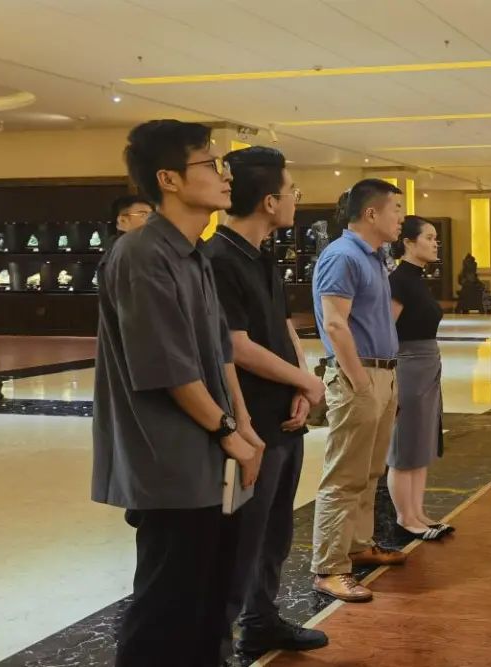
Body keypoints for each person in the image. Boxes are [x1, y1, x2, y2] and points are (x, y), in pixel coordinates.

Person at [91, 119, 265, 667]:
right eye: (211, 164)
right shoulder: (141, 253)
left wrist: (243, 424)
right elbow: (166, 367)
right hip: (169, 459)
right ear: (168, 178)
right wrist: (227, 430)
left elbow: (218, 351)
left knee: (208, 600)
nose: (225, 174)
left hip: (210, 452)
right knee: (167, 605)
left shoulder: (194, 252)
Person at [205, 146, 329, 657]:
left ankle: (261, 620)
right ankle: (217, 643)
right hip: (249, 421)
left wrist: (301, 383)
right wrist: (305, 382)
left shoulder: (261, 254)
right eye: (291, 191)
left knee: (275, 530)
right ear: (268, 201)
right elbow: (234, 345)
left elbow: (280, 325)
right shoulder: (218, 259)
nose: (296, 198)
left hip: (283, 416)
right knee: (241, 539)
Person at [310, 178, 407, 603]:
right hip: (358, 375)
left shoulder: (373, 256)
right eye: (396, 209)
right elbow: (335, 324)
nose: (401, 218)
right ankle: (329, 567)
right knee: (344, 476)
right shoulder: (342, 255)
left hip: (382, 373)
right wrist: (361, 382)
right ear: (371, 213)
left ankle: (358, 545)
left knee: (369, 472)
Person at [387, 216, 451, 542]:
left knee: (422, 442)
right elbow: (387, 330)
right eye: (429, 237)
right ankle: (405, 517)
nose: (435, 243)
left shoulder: (417, 278)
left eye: (435, 237)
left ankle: (418, 512)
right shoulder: (399, 279)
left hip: (426, 365)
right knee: (405, 446)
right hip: (408, 366)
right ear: (408, 242)